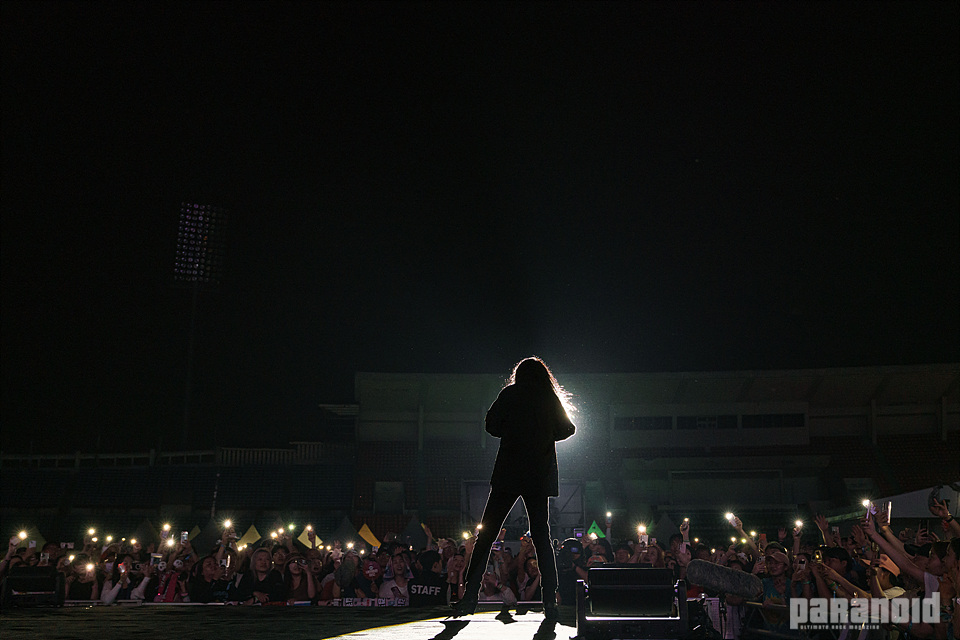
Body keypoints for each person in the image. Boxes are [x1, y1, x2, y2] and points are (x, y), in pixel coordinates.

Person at [454, 357, 576, 619]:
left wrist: (512, 430)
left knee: (487, 535)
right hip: (538, 476)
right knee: (542, 537)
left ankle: (469, 598)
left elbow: (490, 424)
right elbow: (568, 428)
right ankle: (550, 601)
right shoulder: (548, 398)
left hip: (508, 473)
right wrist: (543, 436)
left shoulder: (510, 394)